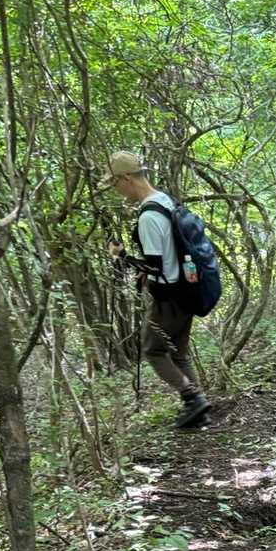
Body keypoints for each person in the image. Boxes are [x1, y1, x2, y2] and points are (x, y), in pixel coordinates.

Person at [100, 151, 211, 429]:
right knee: (179, 353)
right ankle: (199, 410)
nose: (116, 190)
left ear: (126, 178)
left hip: (168, 297)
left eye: (115, 183)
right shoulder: (165, 200)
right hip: (188, 289)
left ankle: (193, 398)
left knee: (153, 351)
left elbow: (156, 266)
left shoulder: (149, 215)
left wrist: (121, 255)